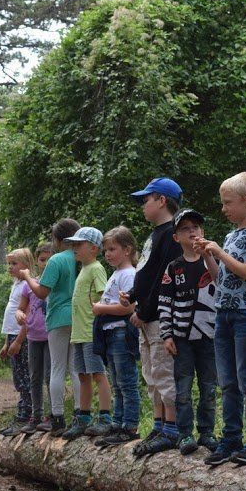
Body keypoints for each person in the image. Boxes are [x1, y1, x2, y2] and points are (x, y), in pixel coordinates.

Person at [196, 172, 246, 466]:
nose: (224, 208)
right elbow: (221, 278)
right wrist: (208, 256)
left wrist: (219, 252)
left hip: (245, 315)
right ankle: (231, 438)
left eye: (228, 203)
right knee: (227, 381)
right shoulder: (230, 236)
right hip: (223, 314)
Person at [152, 209, 220, 457]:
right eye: (185, 229)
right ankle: (184, 434)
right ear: (176, 237)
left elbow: (222, 284)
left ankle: (207, 432)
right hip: (182, 338)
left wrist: (209, 255)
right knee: (182, 388)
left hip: (209, 337)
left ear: (203, 231)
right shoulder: (174, 268)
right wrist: (167, 334)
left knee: (209, 387)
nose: (192, 232)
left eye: (196, 227)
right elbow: (164, 303)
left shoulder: (213, 260)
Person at [124, 178, 184, 449]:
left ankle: (172, 428)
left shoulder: (171, 234)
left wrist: (145, 311)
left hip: (160, 317)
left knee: (163, 371)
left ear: (161, 201)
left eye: (146, 200)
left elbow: (163, 278)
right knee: (150, 373)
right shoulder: (154, 234)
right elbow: (146, 273)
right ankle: (159, 425)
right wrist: (132, 295)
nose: (143, 206)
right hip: (147, 315)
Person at [19, 219, 82, 436]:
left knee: (57, 368)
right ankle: (80, 414)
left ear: (58, 239)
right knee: (75, 368)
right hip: (78, 316)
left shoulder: (57, 260)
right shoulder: (81, 258)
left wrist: (27, 277)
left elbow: (41, 292)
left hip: (58, 317)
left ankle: (57, 417)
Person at [90, 226, 142, 446]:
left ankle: (129, 426)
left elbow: (129, 307)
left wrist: (101, 308)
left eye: (112, 249)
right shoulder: (116, 274)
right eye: (106, 251)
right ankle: (118, 422)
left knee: (127, 381)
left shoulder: (129, 274)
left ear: (127, 250)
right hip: (110, 333)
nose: (108, 254)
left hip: (121, 332)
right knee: (117, 382)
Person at [60, 227, 112, 439]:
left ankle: (105, 417)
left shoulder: (96, 268)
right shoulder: (83, 269)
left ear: (93, 248)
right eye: (72, 244)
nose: (74, 248)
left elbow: (104, 297)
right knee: (82, 375)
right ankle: (83, 417)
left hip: (91, 333)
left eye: (78, 244)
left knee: (98, 374)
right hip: (79, 334)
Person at [17, 243, 53, 434]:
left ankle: (53, 415)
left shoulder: (56, 283)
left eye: (49, 259)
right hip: (33, 336)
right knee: (35, 376)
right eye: (42, 259)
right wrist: (19, 314)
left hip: (51, 335)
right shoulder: (29, 284)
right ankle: (36, 415)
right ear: (37, 261)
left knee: (50, 376)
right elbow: (21, 308)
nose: (45, 263)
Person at [0, 248, 35, 436]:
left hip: (23, 338)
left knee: (25, 377)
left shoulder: (28, 285)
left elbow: (29, 316)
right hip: (13, 336)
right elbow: (11, 319)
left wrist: (19, 341)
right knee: (18, 378)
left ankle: (27, 416)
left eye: (14, 264)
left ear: (26, 265)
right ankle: (22, 414)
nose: (10, 267)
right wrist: (7, 342)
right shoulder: (16, 284)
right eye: (9, 264)